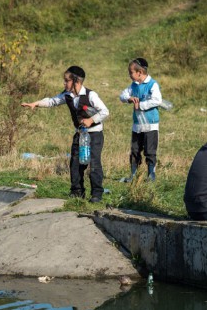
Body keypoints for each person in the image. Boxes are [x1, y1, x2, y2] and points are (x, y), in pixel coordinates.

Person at [21, 66, 109, 202]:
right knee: (75, 162)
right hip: (80, 134)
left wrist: (91, 120)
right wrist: (35, 103)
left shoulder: (91, 95)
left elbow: (105, 111)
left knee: (94, 163)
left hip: (94, 134)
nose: (64, 83)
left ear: (76, 81)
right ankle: (77, 192)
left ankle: (96, 194)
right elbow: (52, 101)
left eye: (67, 80)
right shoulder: (67, 95)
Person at [119, 58, 162, 182]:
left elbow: (157, 100)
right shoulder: (134, 85)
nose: (129, 75)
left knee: (150, 151)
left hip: (150, 125)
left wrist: (141, 105)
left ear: (139, 72)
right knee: (135, 150)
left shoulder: (152, 84)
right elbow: (122, 95)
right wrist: (129, 99)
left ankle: (151, 175)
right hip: (137, 125)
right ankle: (133, 175)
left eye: (131, 72)